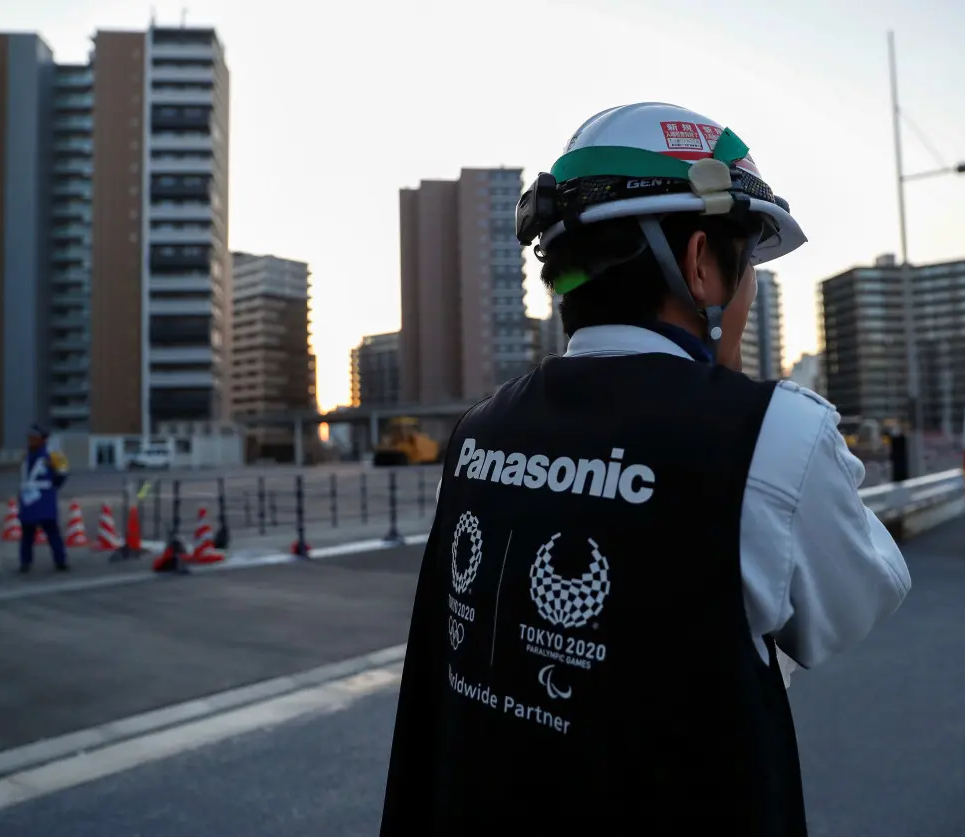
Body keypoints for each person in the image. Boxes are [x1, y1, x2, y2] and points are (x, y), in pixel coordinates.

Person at [381, 102, 910, 835]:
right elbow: (855, 600)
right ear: (699, 263)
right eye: (745, 263)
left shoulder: (478, 434)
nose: (748, 288)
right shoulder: (771, 433)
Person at [19, 424, 70, 573]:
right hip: (29, 499)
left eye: (34, 438)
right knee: (27, 534)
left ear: (43, 439)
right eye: (30, 438)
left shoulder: (53, 454)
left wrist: (52, 485)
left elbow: (62, 473)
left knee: (52, 532)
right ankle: (25, 562)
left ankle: (60, 562)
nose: (31, 441)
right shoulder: (26, 455)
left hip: (44, 498)